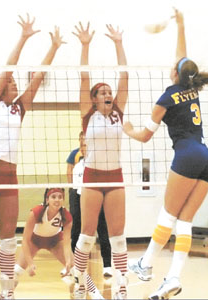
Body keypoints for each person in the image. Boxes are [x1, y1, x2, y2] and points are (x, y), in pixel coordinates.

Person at [0, 14, 65, 300]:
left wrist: (54, 48)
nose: (11, 84)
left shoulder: (18, 109)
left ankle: (7, 292)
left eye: (12, 84)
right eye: (8, 83)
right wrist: (23, 38)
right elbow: (8, 69)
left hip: (9, 176)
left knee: (8, 240)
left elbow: (38, 78)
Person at [124, 9, 208, 300]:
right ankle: (172, 277)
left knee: (168, 215)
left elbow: (144, 137)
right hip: (207, 159)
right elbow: (183, 58)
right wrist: (181, 24)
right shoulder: (193, 88)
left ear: (175, 73)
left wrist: (128, 129)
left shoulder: (166, 97)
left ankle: (146, 265)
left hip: (187, 156)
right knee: (184, 221)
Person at [72, 22, 129, 299]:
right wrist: (85, 45)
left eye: (109, 92)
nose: (108, 94)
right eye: (102, 92)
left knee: (118, 237)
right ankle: (81, 281)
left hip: (114, 176)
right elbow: (84, 78)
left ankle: (120, 287)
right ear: (93, 100)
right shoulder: (88, 114)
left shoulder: (117, 112)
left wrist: (118, 43)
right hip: (92, 176)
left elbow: (125, 77)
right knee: (86, 235)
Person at [14, 188, 104, 299]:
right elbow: (25, 240)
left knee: (76, 268)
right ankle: (7, 294)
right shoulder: (36, 212)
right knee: (16, 271)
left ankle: (95, 294)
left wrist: (67, 261)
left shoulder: (66, 215)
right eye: (53, 197)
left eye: (60, 197)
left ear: (63, 200)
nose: (57, 200)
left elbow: (66, 243)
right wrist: (30, 263)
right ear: (47, 200)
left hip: (55, 241)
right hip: (34, 241)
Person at [69, 136, 113, 277]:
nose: (83, 148)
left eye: (85, 145)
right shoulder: (77, 167)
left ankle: (107, 266)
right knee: (76, 232)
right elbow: (76, 189)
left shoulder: (99, 163)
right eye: (81, 145)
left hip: (97, 200)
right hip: (81, 199)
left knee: (103, 231)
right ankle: (76, 265)